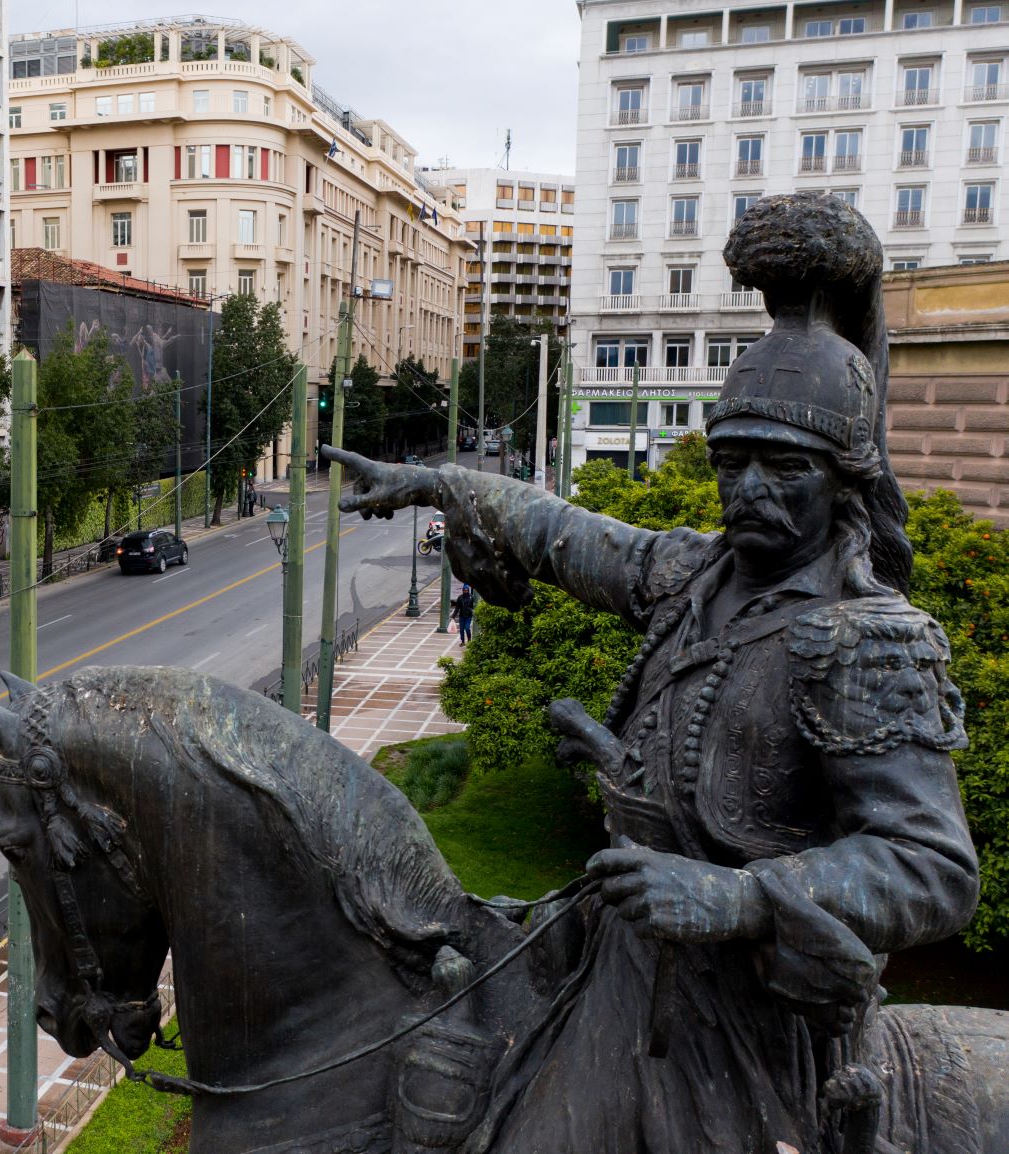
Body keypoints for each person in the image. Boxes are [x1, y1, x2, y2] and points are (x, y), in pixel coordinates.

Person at [323, 195, 978, 1154]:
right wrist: (438, 483)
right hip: (620, 950)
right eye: (732, 462)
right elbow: (562, 532)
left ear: (846, 480)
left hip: (741, 1021)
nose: (748, 490)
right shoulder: (694, 573)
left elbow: (935, 868)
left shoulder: (868, 640)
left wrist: (740, 897)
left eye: (784, 468)